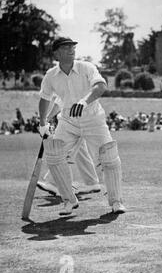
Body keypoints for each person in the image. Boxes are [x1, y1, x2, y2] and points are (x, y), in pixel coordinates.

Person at [38, 36, 125, 216]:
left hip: (93, 119)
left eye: (72, 46)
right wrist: (42, 123)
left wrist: (84, 102)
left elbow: (101, 86)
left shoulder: (86, 67)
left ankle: (116, 201)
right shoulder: (51, 75)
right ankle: (69, 200)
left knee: (108, 156)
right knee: (55, 156)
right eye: (65, 47)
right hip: (68, 121)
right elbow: (45, 98)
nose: (71, 49)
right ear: (56, 53)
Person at [37, 97, 101, 196]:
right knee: (80, 152)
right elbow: (60, 101)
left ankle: (53, 183)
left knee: (63, 152)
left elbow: (60, 102)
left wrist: (47, 118)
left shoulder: (71, 83)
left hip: (77, 122)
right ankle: (92, 182)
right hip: (80, 120)